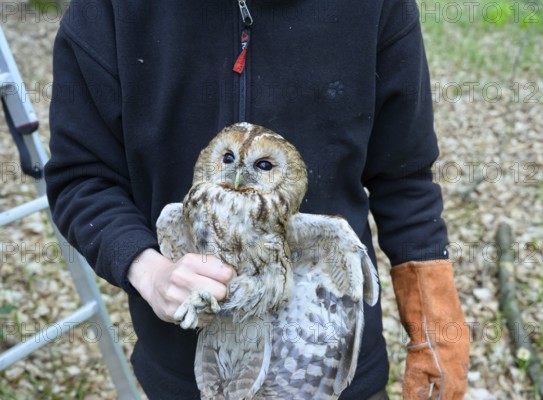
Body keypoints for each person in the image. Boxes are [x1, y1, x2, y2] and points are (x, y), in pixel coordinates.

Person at [45, 0, 470, 398]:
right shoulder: (110, 10)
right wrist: (149, 270)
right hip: (186, 368)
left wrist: (435, 326)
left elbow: (405, 176)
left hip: (331, 359)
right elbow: (83, 176)